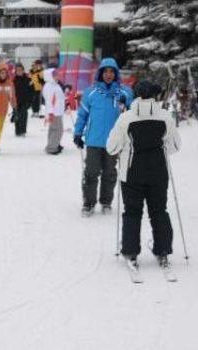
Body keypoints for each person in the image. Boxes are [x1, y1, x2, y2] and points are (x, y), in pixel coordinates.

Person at [106, 80, 181, 269]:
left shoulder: (126, 118)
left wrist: (126, 148)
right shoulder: (165, 117)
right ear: (154, 95)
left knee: (132, 212)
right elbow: (175, 146)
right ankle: (163, 250)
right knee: (159, 211)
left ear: (136, 95)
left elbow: (112, 147)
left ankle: (130, 251)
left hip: (132, 173)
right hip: (158, 172)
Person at [74, 57, 134, 216]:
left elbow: (130, 115)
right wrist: (78, 133)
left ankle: (106, 201)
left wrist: (125, 105)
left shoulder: (124, 93)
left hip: (114, 141)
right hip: (94, 140)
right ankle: (88, 202)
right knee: (91, 172)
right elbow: (82, 115)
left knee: (110, 173)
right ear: (100, 73)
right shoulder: (91, 92)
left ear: (115, 74)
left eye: (111, 72)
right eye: (105, 71)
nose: (108, 74)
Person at [42, 68, 65, 154]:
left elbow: (59, 96)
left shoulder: (55, 85)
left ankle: (55, 143)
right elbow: (49, 100)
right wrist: (51, 112)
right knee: (58, 129)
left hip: (58, 110)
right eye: (54, 75)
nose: (57, 77)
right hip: (54, 112)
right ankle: (52, 147)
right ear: (49, 76)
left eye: (57, 75)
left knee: (54, 128)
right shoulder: (49, 86)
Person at [12, 63, 32, 136]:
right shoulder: (14, 80)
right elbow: (11, 91)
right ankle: (17, 131)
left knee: (23, 116)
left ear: (23, 70)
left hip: (25, 101)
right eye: (18, 70)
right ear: (16, 71)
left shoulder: (28, 79)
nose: (19, 72)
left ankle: (23, 131)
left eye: (21, 70)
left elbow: (31, 90)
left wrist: (30, 101)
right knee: (17, 115)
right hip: (16, 101)